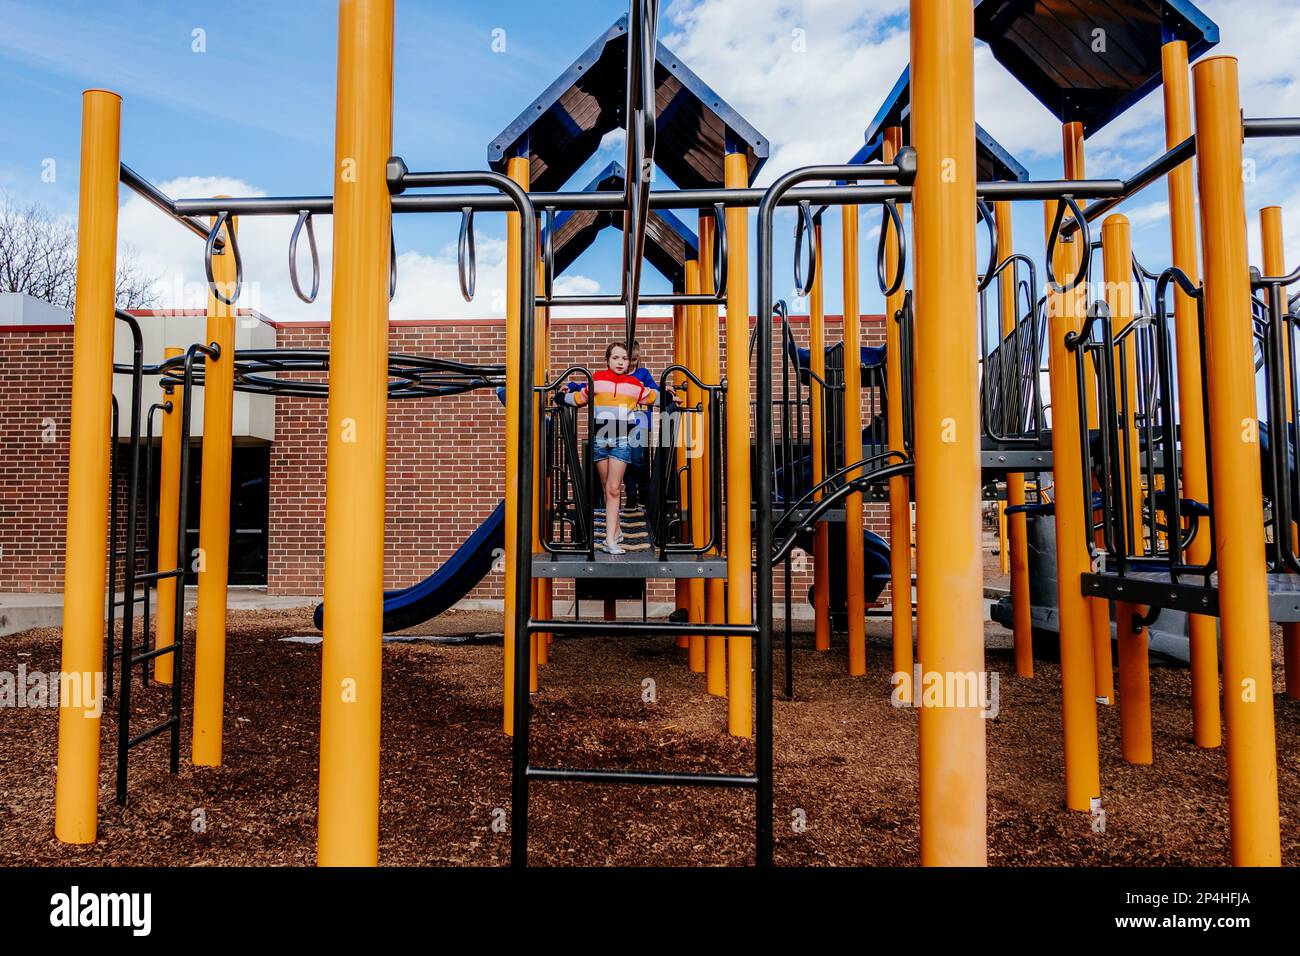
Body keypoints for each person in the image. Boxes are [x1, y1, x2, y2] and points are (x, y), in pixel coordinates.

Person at [564, 342, 658, 554]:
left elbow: (654, 396)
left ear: (629, 362)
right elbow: (580, 398)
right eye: (615, 358)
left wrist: (671, 397)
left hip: (622, 440)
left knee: (614, 489)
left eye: (624, 359)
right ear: (607, 360)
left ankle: (610, 541)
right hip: (600, 440)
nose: (620, 362)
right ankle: (614, 531)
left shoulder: (635, 384)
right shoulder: (596, 379)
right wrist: (562, 396)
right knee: (608, 488)